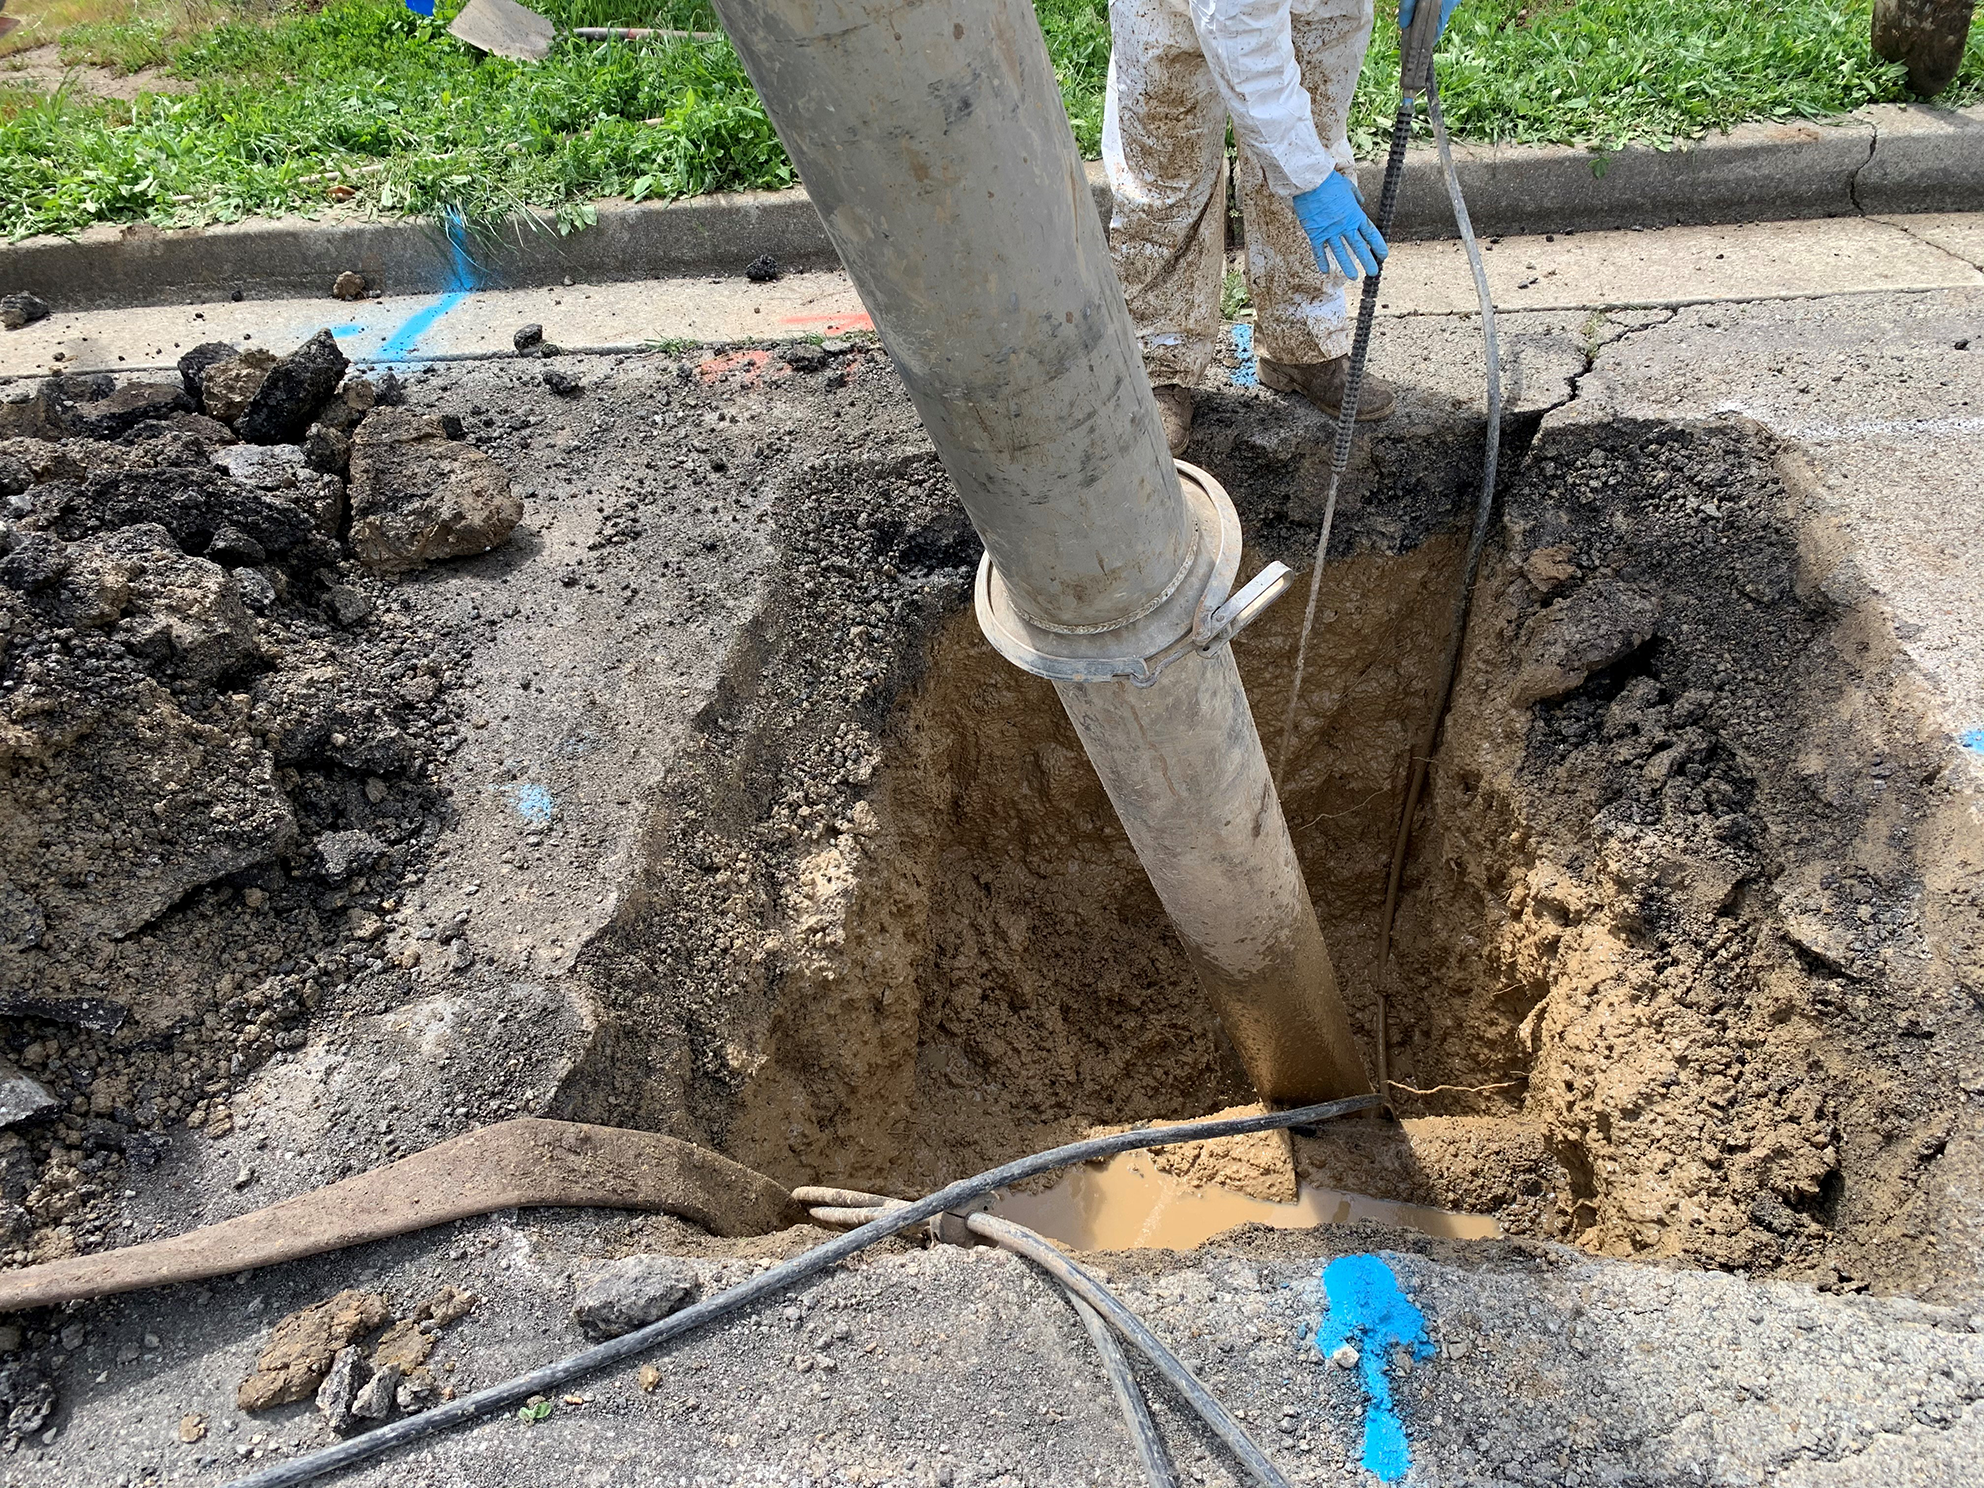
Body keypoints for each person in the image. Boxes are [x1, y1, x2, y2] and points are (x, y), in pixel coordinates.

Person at [1104, 0, 1459, 453]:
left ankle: (1301, 343)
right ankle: (1160, 359)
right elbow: (1238, 34)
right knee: (1168, 172)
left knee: (1314, 132)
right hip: (1180, 10)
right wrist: (1306, 177)